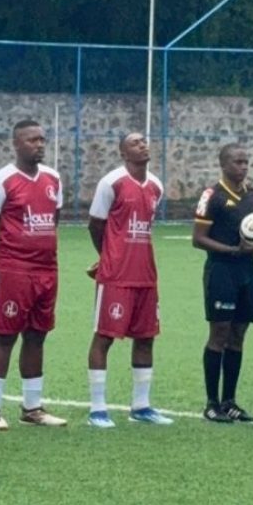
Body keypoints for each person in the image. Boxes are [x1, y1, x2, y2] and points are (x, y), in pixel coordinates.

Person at [0, 120, 67, 430]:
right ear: (16, 144)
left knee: (37, 334)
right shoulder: (2, 180)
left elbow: (53, 219)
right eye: (32, 140)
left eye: (42, 139)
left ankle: (33, 408)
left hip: (46, 270)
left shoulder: (53, 178)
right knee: (4, 335)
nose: (39, 144)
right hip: (13, 270)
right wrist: (3, 259)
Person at [86, 132, 173, 428]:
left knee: (146, 337)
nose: (143, 145)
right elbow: (95, 224)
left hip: (146, 275)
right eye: (135, 143)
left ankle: (141, 406)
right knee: (105, 337)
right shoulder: (111, 183)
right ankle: (97, 408)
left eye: (145, 141)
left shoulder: (156, 186)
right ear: (123, 153)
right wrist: (108, 257)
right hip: (116, 276)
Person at [192, 143, 253, 423]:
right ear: (224, 164)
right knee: (219, 332)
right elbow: (198, 238)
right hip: (221, 272)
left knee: (238, 334)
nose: (243, 167)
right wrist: (233, 250)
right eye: (237, 162)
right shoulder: (213, 196)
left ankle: (230, 401)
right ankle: (212, 403)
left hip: (248, 272)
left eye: (246, 162)